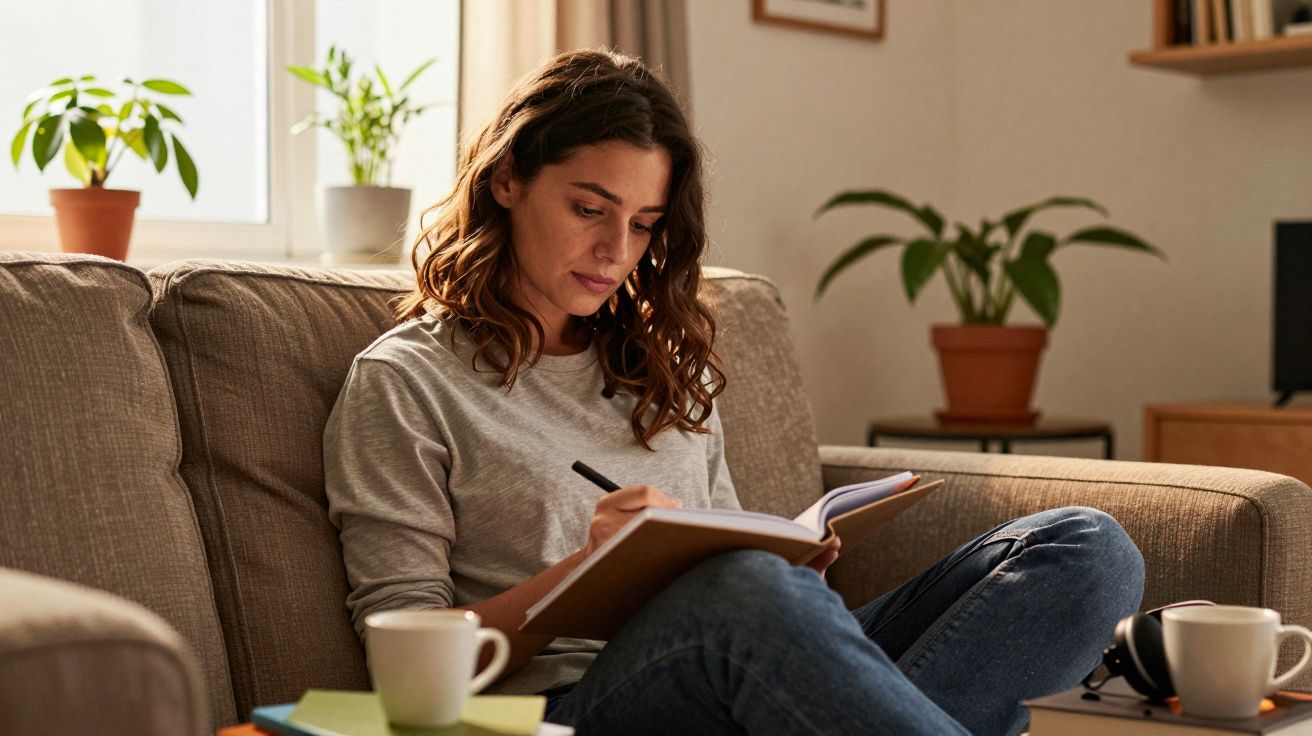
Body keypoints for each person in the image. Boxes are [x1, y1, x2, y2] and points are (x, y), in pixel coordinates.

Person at [322, 48, 1145, 736]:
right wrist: (585, 573)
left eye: (643, 224)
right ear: (506, 180)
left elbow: (736, 567)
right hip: (570, 709)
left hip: (739, 676)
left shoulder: (661, 368)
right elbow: (404, 660)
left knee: (1085, 548)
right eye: (589, 208)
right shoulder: (406, 382)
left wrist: (798, 570)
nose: (616, 250)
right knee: (743, 591)